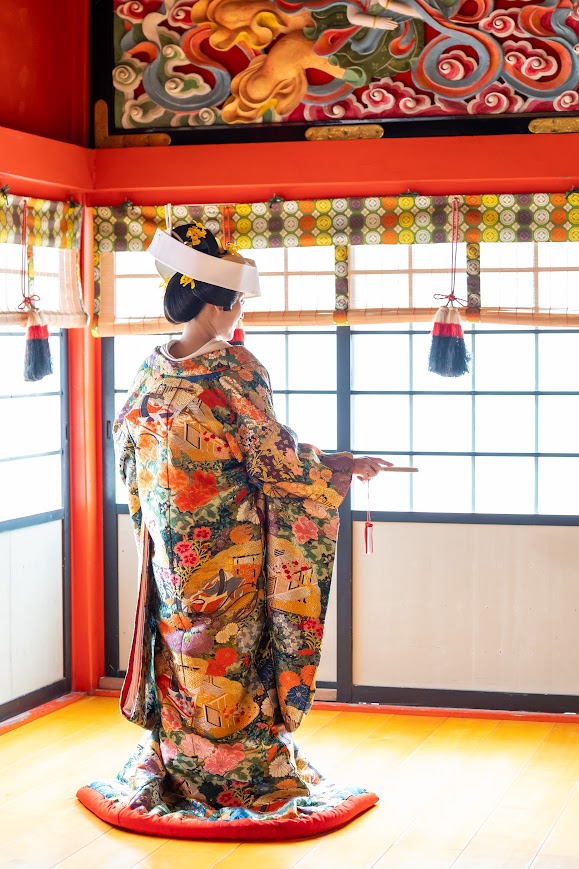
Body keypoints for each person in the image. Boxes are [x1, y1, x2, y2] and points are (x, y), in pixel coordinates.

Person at [77, 217, 391, 839]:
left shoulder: (150, 370)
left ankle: (178, 764)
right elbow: (271, 459)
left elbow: (127, 453)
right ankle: (240, 773)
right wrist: (338, 469)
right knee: (233, 648)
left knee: (183, 647)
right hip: (230, 544)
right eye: (239, 299)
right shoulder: (235, 370)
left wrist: (157, 515)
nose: (241, 309)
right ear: (217, 306)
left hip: (171, 543)